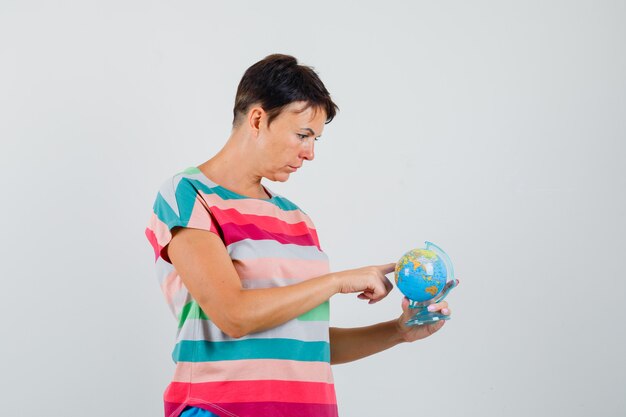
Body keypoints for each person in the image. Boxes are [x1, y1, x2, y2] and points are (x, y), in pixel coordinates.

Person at [145, 54, 451, 417]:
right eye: (303, 135)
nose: (310, 153)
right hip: (220, 409)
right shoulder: (187, 194)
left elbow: (306, 343)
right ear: (258, 118)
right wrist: (337, 281)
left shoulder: (296, 219)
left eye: (316, 139)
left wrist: (398, 331)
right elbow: (234, 315)